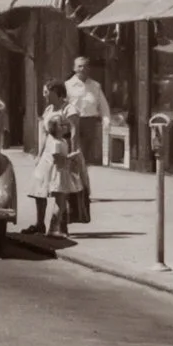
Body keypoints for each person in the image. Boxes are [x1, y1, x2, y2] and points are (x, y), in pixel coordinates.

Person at [64, 55, 111, 226]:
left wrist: (106, 120)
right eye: (79, 66)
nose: (83, 69)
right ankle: (78, 192)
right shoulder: (68, 86)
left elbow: (103, 105)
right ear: (74, 68)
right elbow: (64, 106)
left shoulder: (95, 86)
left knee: (86, 160)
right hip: (73, 123)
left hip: (90, 123)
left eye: (85, 66)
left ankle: (82, 190)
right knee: (76, 158)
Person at [28, 82, 79, 237]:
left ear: (56, 92)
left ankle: (59, 227)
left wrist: (73, 152)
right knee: (40, 188)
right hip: (47, 154)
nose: (44, 95)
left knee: (60, 189)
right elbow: (44, 134)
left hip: (62, 152)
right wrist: (39, 154)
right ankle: (40, 223)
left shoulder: (69, 109)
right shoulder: (48, 110)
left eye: (46, 92)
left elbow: (74, 132)